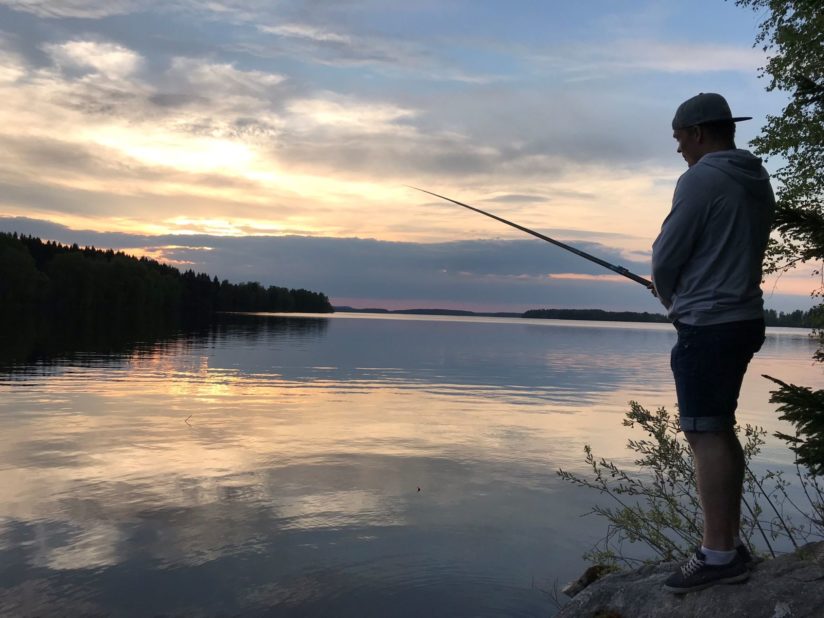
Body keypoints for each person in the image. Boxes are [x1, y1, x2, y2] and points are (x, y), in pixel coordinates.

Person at [651, 92, 775, 594]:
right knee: (719, 430)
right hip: (742, 316)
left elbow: (666, 255)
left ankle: (718, 554)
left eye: (679, 138)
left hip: (709, 324)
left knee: (704, 434)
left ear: (698, 132)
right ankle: (729, 544)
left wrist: (671, 296)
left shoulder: (700, 178)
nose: (679, 148)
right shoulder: (754, 177)